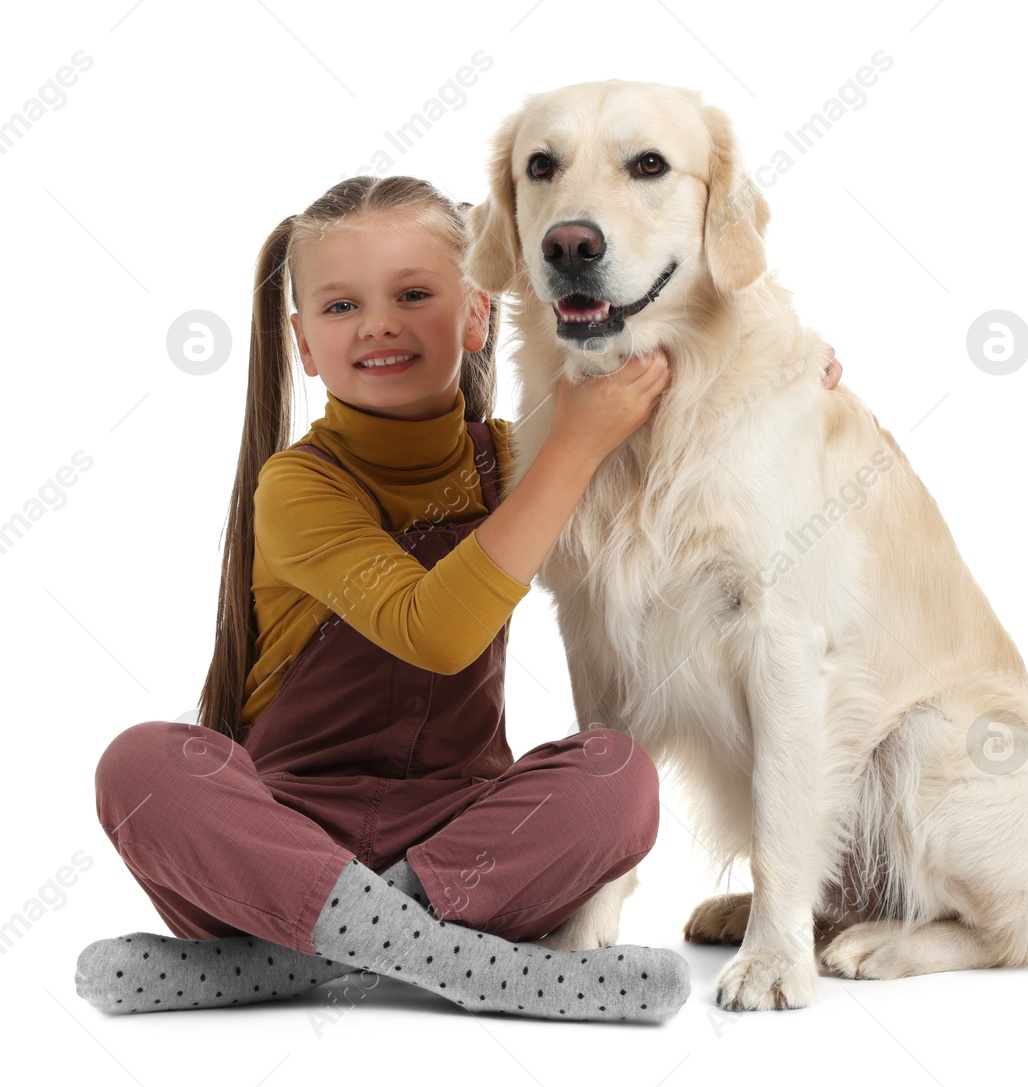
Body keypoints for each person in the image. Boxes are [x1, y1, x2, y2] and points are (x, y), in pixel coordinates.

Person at [76, 174, 844, 1022]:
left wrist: (785, 371)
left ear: (478, 313)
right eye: (339, 307)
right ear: (301, 343)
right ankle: (473, 969)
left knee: (617, 773)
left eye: (413, 294)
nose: (378, 323)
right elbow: (432, 630)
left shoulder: (516, 460)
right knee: (142, 765)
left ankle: (270, 968)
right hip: (280, 841)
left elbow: (683, 428)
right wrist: (576, 446)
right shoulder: (297, 484)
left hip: (463, 839)